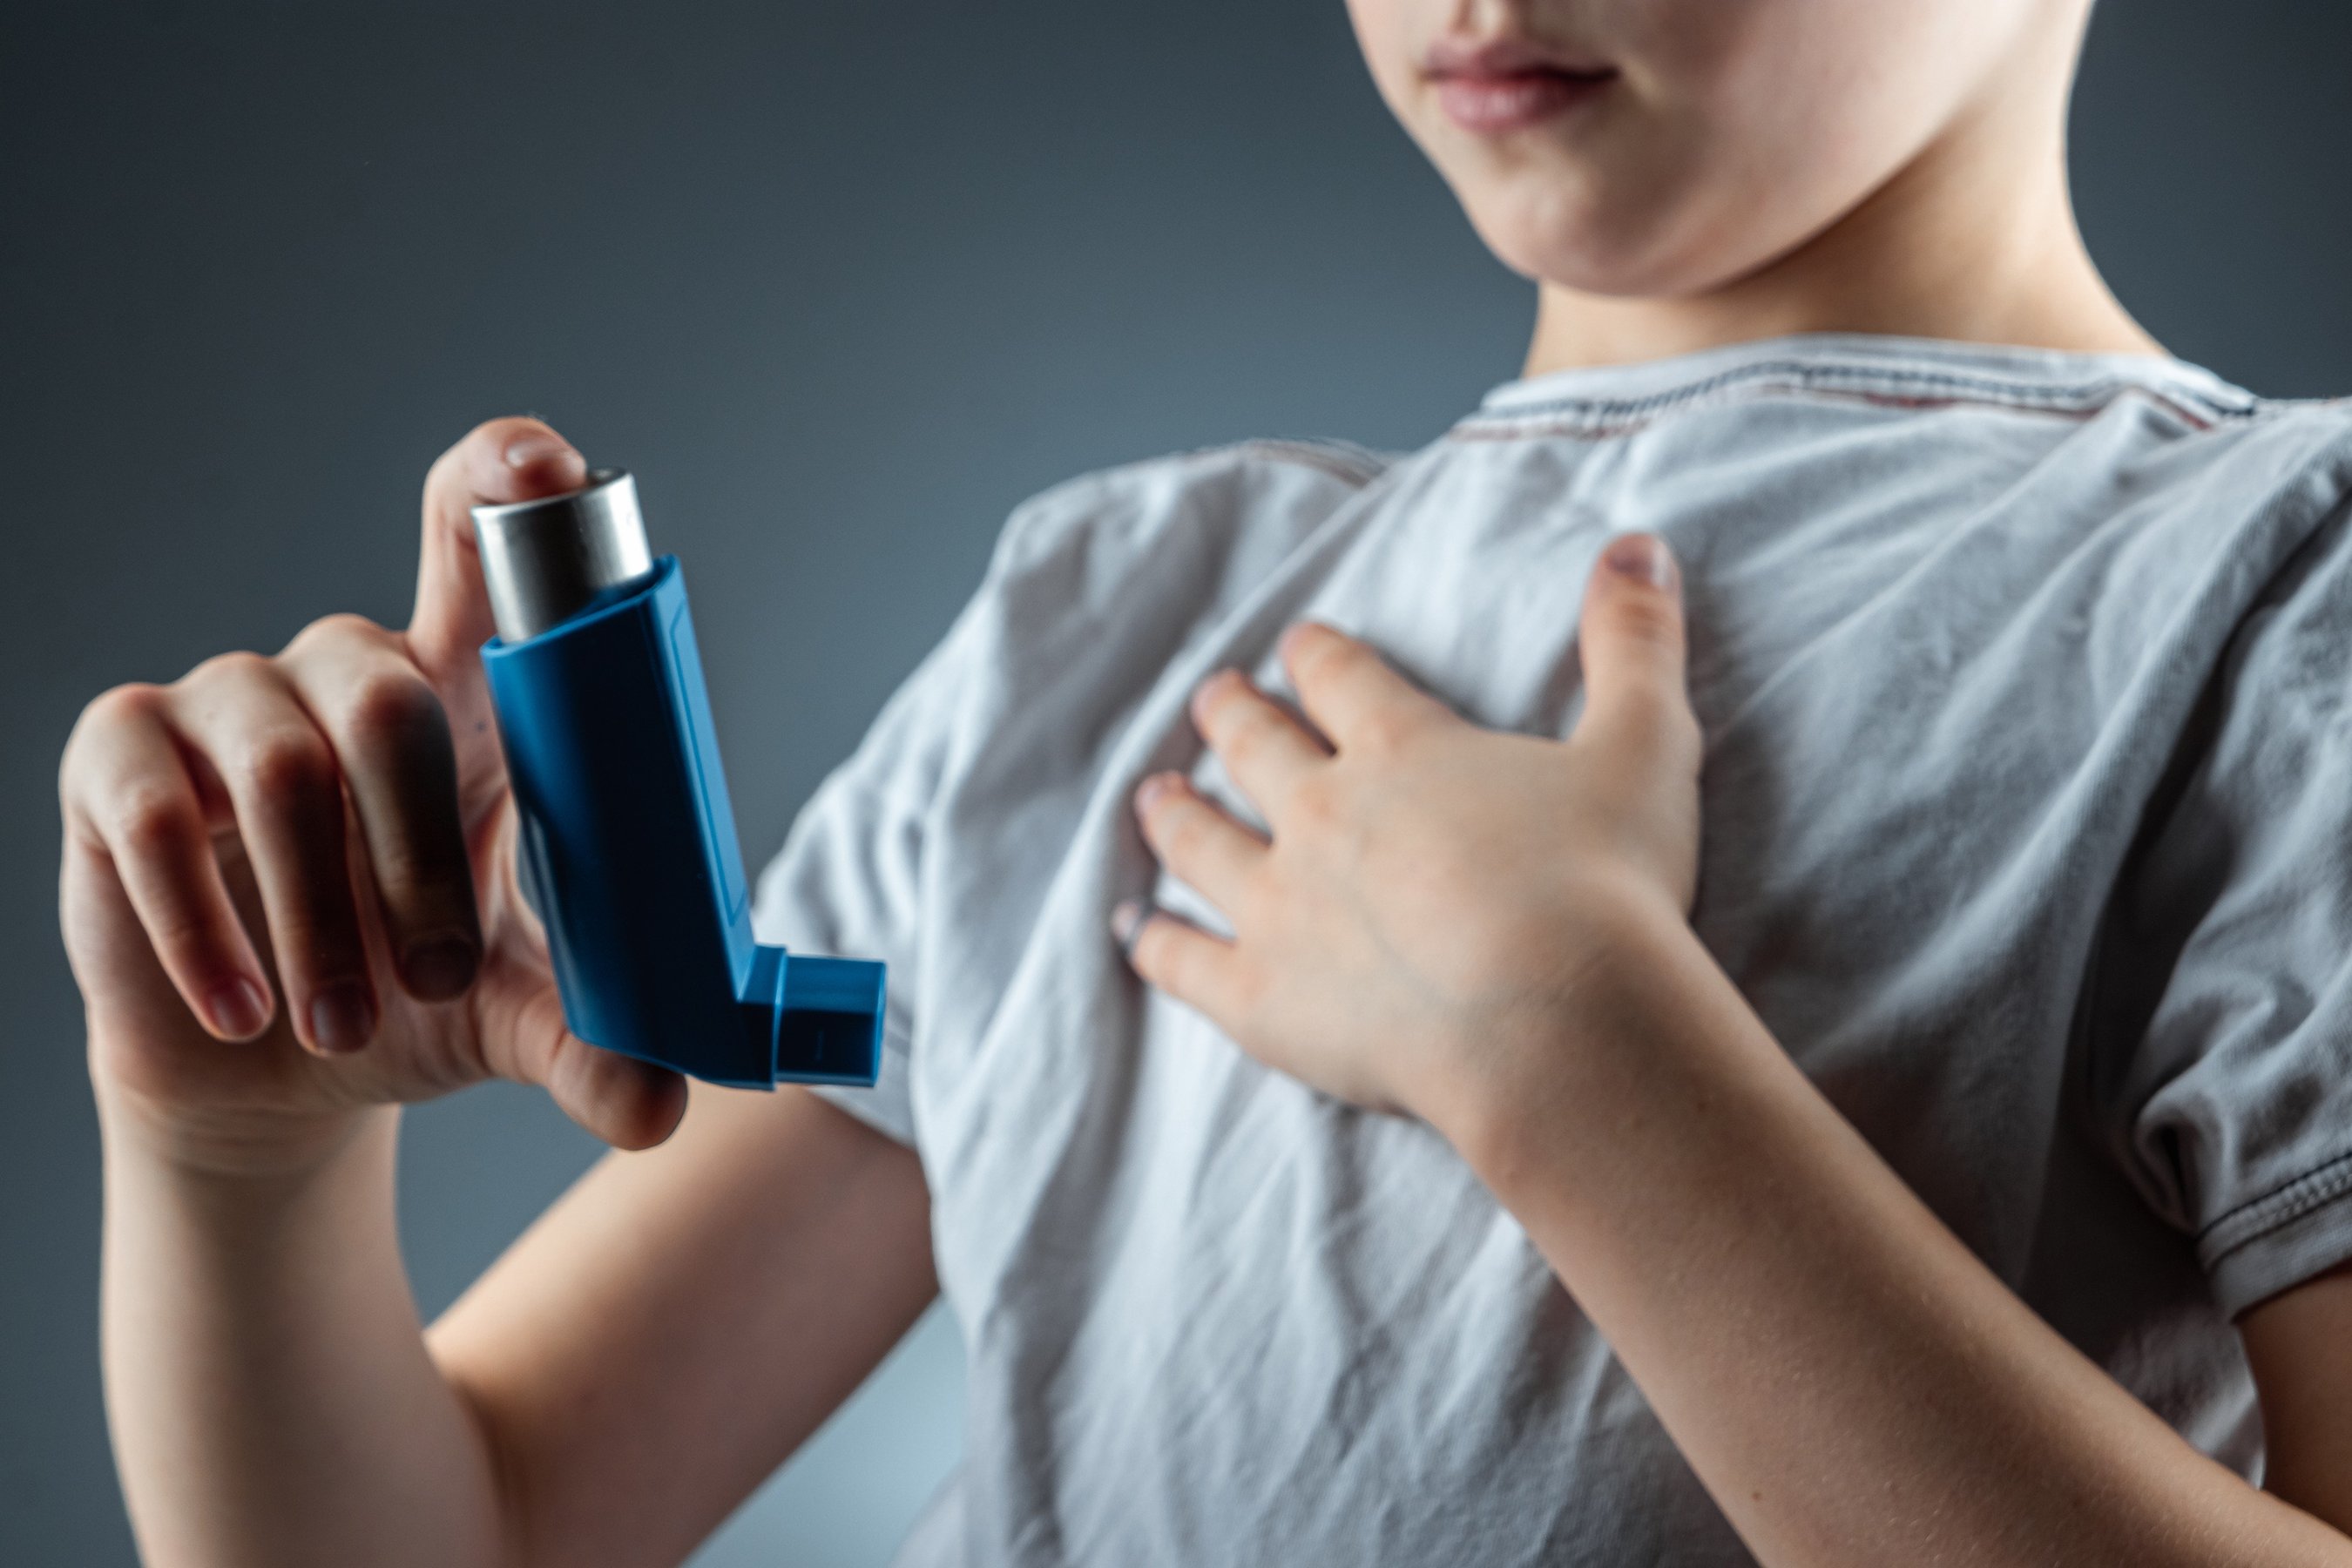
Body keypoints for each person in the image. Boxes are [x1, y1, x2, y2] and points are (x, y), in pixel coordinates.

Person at [60, 0, 2352, 1563]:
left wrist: (1578, 1065)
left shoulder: (2275, 591)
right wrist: (230, 1161)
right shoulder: (1107, 622)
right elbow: (461, 1531)